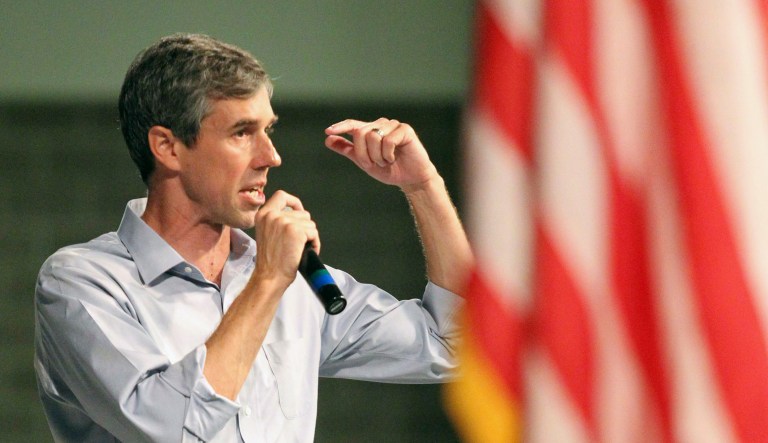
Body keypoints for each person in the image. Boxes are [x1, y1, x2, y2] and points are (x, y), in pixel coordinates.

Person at [34, 33, 472, 442]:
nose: (271, 156)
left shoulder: (293, 284)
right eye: (242, 133)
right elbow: (178, 430)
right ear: (167, 147)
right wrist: (266, 283)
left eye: (269, 130)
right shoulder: (81, 283)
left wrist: (423, 187)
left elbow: (453, 343)